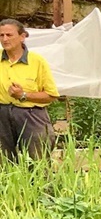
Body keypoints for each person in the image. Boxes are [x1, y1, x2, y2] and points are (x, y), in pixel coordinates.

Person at [0, 18, 59, 161]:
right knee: (4, 163)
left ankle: (41, 184)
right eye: (1, 35)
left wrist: (23, 95)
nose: (4, 39)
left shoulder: (37, 61)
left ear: (22, 37)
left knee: (39, 161)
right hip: (2, 114)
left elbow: (51, 95)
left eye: (9, 35)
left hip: (32, 115)